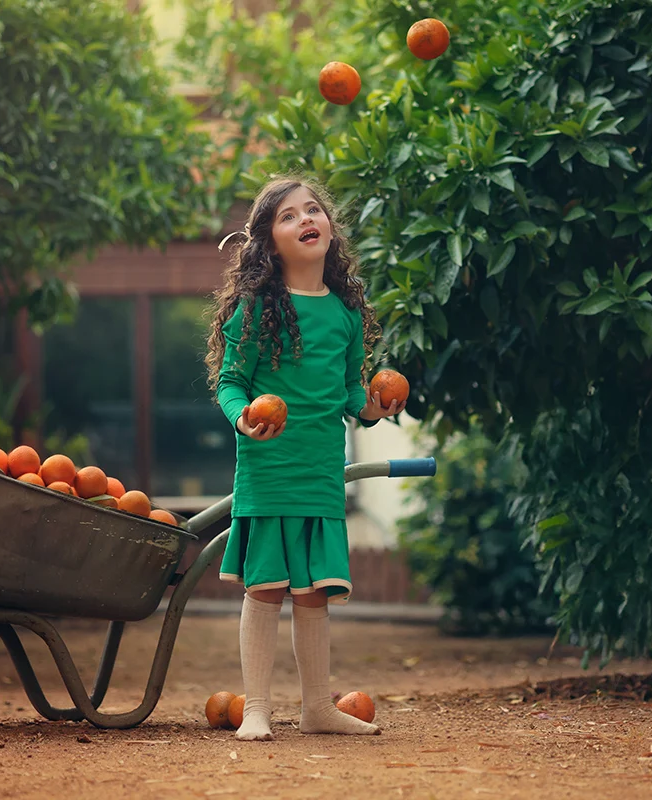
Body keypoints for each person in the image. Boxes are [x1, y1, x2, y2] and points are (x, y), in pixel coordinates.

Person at [205, 177, 403, 741]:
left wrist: (377, 405)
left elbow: (350, 399)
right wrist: (241, 417)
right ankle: (260, 709)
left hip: (319, 472)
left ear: (329, 228)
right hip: (268, 469)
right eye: (288, 215)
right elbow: (231, 383)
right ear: (269, 242)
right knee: (265, 588)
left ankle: (318, 707)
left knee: (314, 592)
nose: (305, 218)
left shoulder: (343, 316)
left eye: (312, 209)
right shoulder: (254, 308)